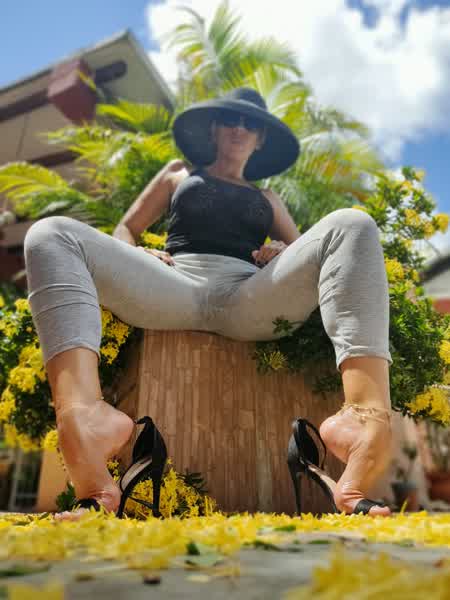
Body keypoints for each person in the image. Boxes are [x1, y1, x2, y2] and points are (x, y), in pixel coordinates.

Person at [23, 87, 392, 520]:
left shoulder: (269, 199)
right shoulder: (177, 174)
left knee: (352, 224)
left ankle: (364, 420)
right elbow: (127, 227)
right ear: (214, 128)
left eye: (250, 124)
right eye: (230, 119)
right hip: (172, 285)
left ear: (260, 139)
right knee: (50, 235)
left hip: (247, 296)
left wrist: (279, 250)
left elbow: (307, 253)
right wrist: (138, 250)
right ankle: (84, 421)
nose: (239, 129)